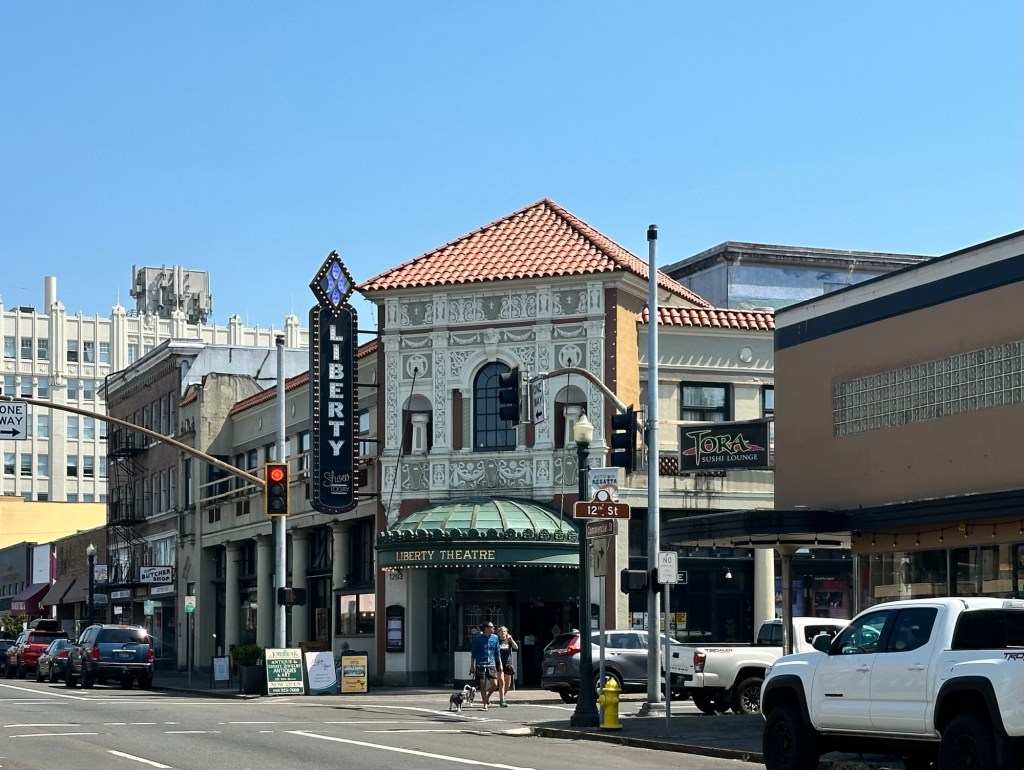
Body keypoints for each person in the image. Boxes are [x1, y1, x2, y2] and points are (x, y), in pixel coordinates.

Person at [469, 621, 500, 710]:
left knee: (494, 684)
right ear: (486, 628)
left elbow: (497, 652)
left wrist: (500, 664)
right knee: (482, 684)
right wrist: (472, 666)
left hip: (491, 663)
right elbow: (473, 653)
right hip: (480, 663)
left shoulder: (495, 638)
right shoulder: (478, 639)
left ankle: (487, 698)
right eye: (491, 627)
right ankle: (485, 703)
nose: (493, 629)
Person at [495, 626, 518, 707]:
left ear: (507, 632)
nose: (503, 633)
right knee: (502, 682)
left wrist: (511, 640)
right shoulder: (497, 641)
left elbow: (516, 647)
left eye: (504, 631)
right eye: (501, 631)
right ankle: (502, 700)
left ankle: (502, 697)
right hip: (499, 663)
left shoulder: (508, 640)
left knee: (508, 685)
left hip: (508, 663)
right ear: (499, 633)